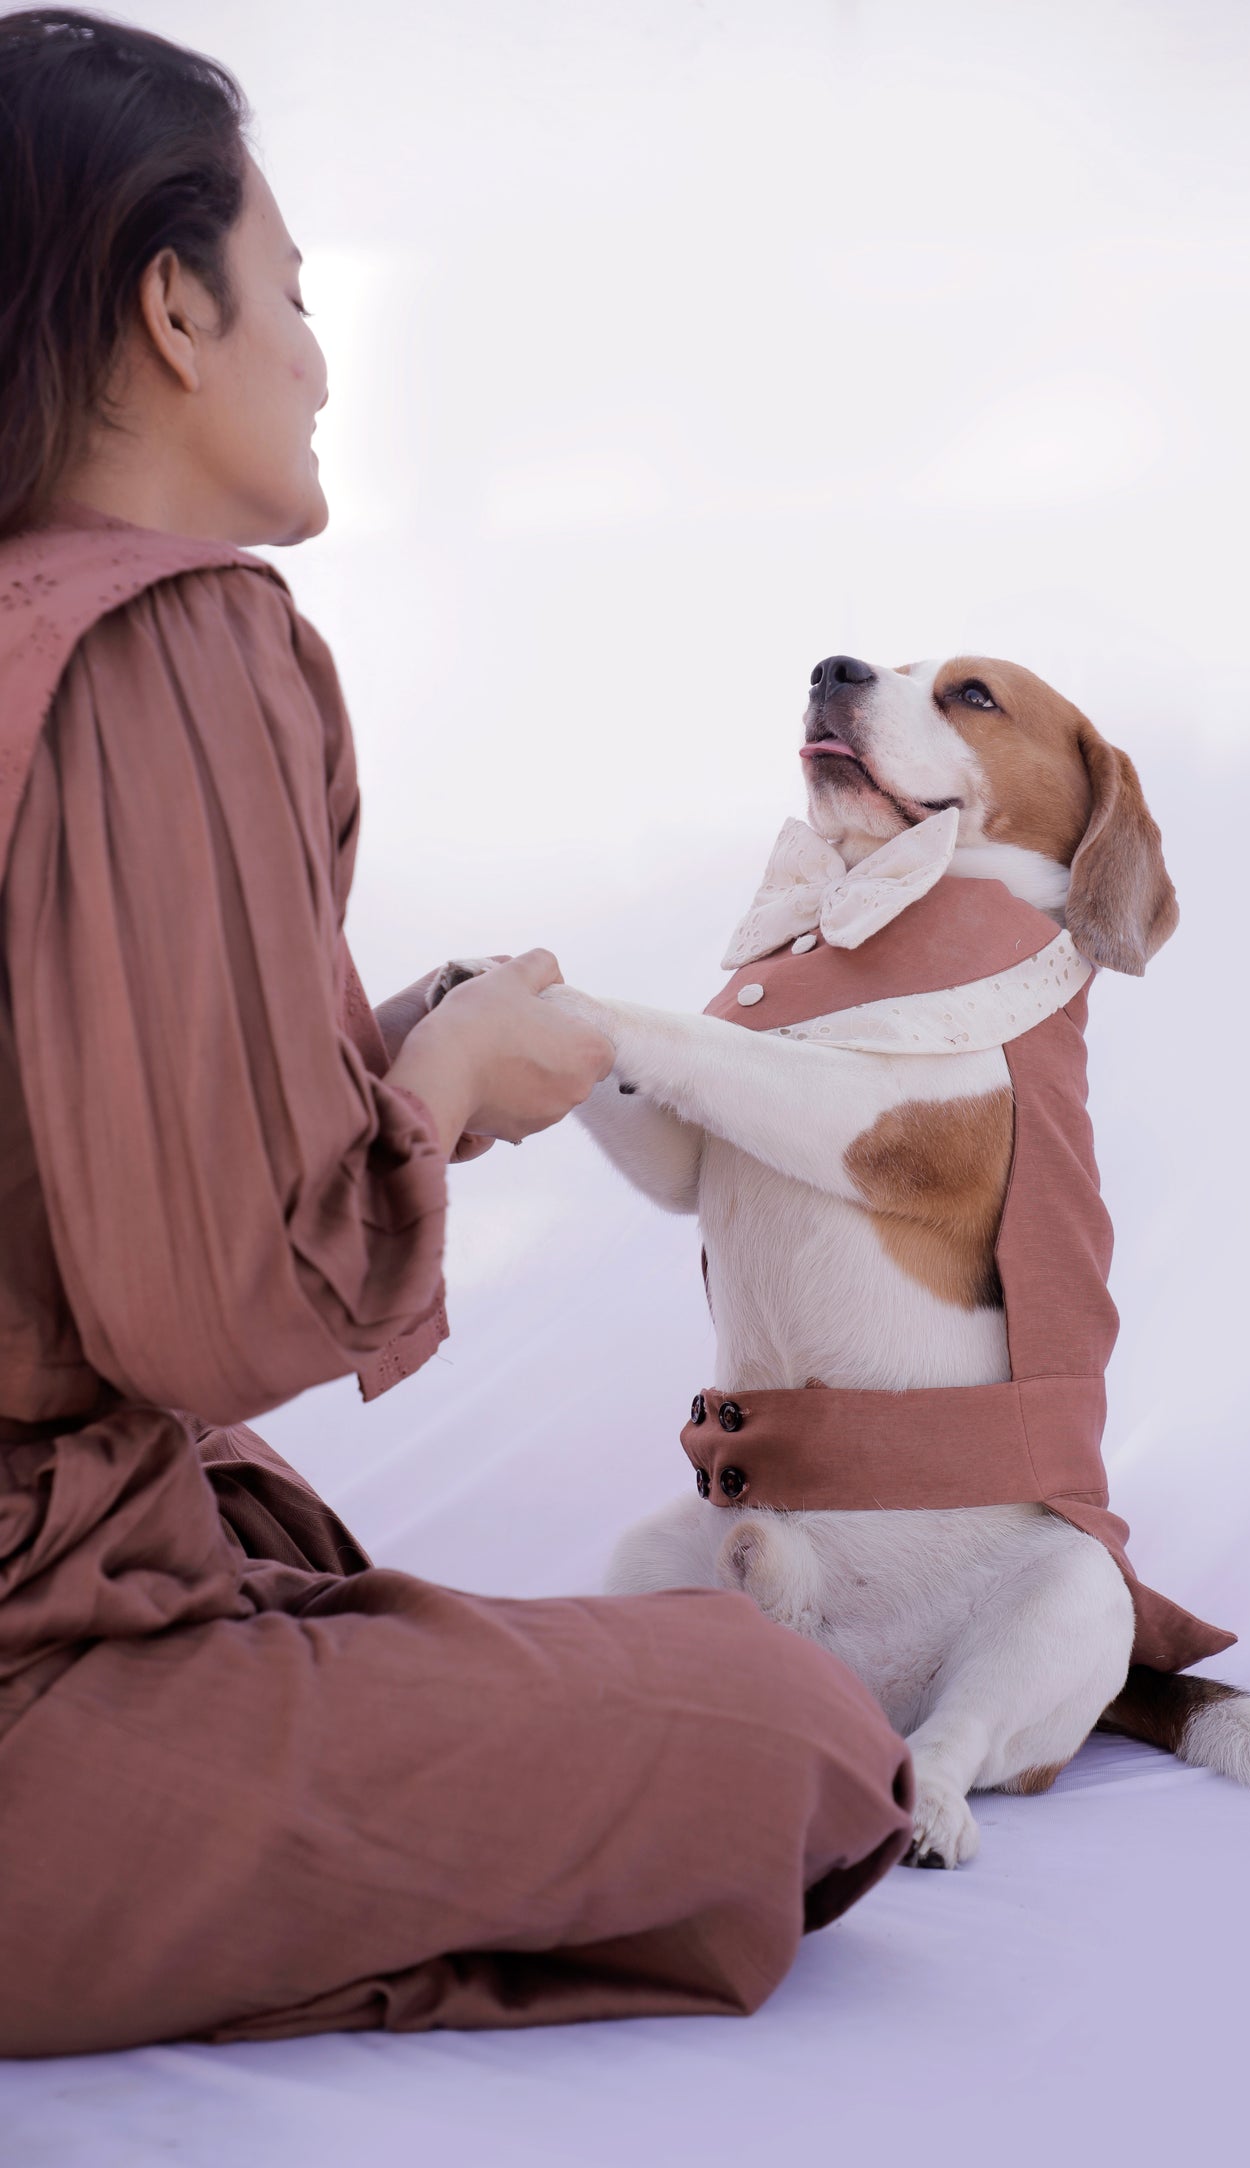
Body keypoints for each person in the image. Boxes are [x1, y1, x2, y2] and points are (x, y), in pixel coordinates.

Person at [0, 8, 912, 2057]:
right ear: (170, 303)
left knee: (250, 1528)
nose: (317, 354)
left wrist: (419, 1052)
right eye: (292, 294)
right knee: (793, 1738)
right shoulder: (172, 637)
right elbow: (218, 1310)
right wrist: (435, 1093)